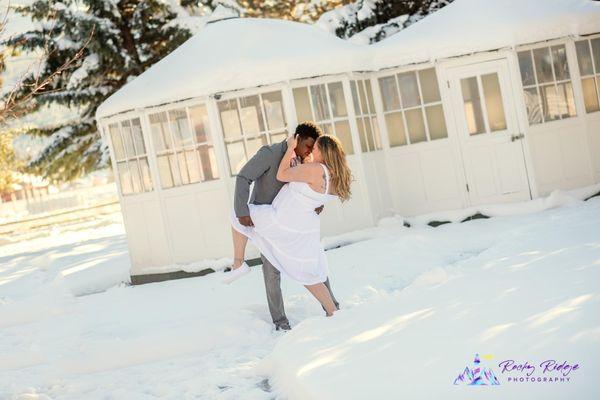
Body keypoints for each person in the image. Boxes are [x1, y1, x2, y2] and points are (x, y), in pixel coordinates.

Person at [224, 122, 351, 329]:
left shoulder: (312, 165)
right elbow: (244, 177)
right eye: (308, 146)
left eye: (314, 148)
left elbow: (295, 180)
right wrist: (243, 211)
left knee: (311, 269)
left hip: (282, 221)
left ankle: (238, 262)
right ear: (297, 138)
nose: (309, 152)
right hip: (282, 220)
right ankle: (285, 321)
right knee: (299, 270)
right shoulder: (271, 153)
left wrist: (316, 201)